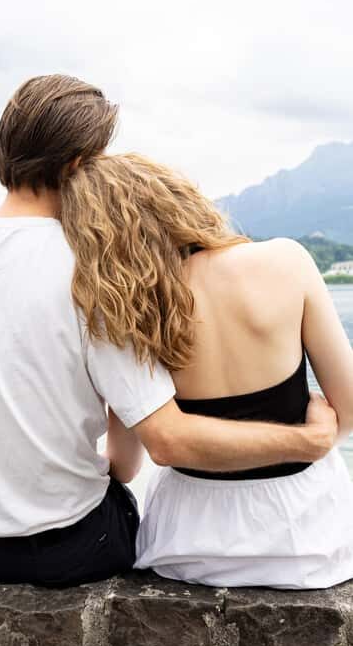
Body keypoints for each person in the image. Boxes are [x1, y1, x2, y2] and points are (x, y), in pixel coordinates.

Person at [0, 75, 338, 616]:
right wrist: (307, 441)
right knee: (120, 498)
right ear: (79, 166)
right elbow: (165, 442)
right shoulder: (95, 271)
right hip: (72, 550)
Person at [59, 152, 353, 588]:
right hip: (306, 540)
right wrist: (318, 424)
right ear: (181, 199)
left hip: (190, 547)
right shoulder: (287, 262)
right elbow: (348, 413)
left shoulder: (130, 313)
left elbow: (124, 467)